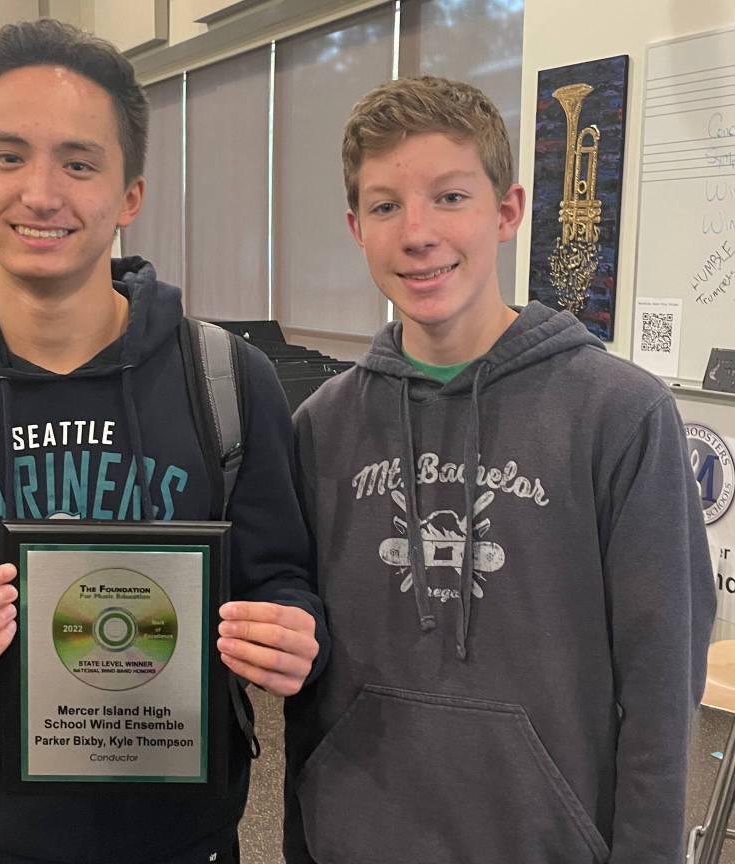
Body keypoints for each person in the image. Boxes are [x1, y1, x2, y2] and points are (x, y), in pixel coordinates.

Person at [0, 19, 326, 864]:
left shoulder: (228, 384)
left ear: (130, 193)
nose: (42, 192)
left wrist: (292, 634)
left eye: (80, 162)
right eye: (10, 156)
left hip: (183, 841)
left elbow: (284, 580)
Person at [282, 75, 715, 864]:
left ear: (507, 212)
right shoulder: (321, 428)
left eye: (450, 197)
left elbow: (661, 687)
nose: (417, 233)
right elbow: (307, 678)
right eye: (385, 206)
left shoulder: (621, 416)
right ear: (356, 227)